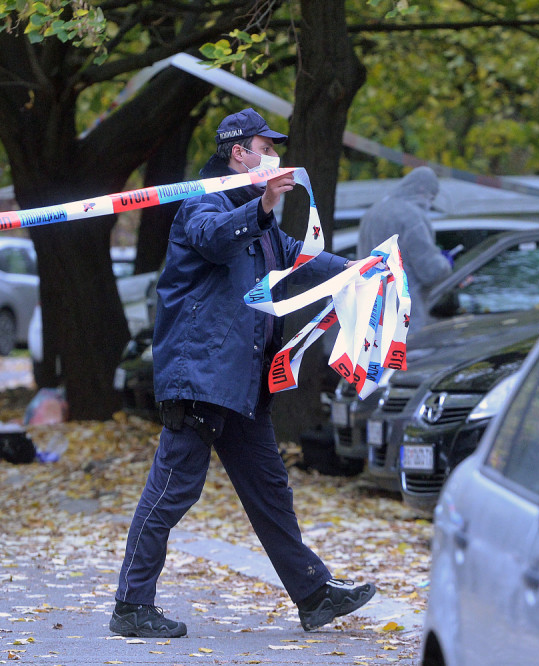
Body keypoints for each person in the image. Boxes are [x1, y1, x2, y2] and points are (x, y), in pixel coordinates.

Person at [110, 108, 376, 639]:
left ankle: (314, 594)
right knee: (172, 491)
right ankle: (130, 606)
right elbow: (213, 239)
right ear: (239, 152)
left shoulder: (259, 222)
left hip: (240, 384)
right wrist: (264, 203)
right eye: (265, 145)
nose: (274, 154)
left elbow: (297, 259)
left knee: (270, 491)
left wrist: (356, 270)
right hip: (201, 378)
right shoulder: (202, 204)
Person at [356, 166, 452, 332]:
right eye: (432, 197)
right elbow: (430, 271)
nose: (430, 203)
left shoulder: (374, 212)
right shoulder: (412, 216)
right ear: (422, 189)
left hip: (370, 307)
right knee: (407, 356)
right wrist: (445, 263)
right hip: (404, 312)